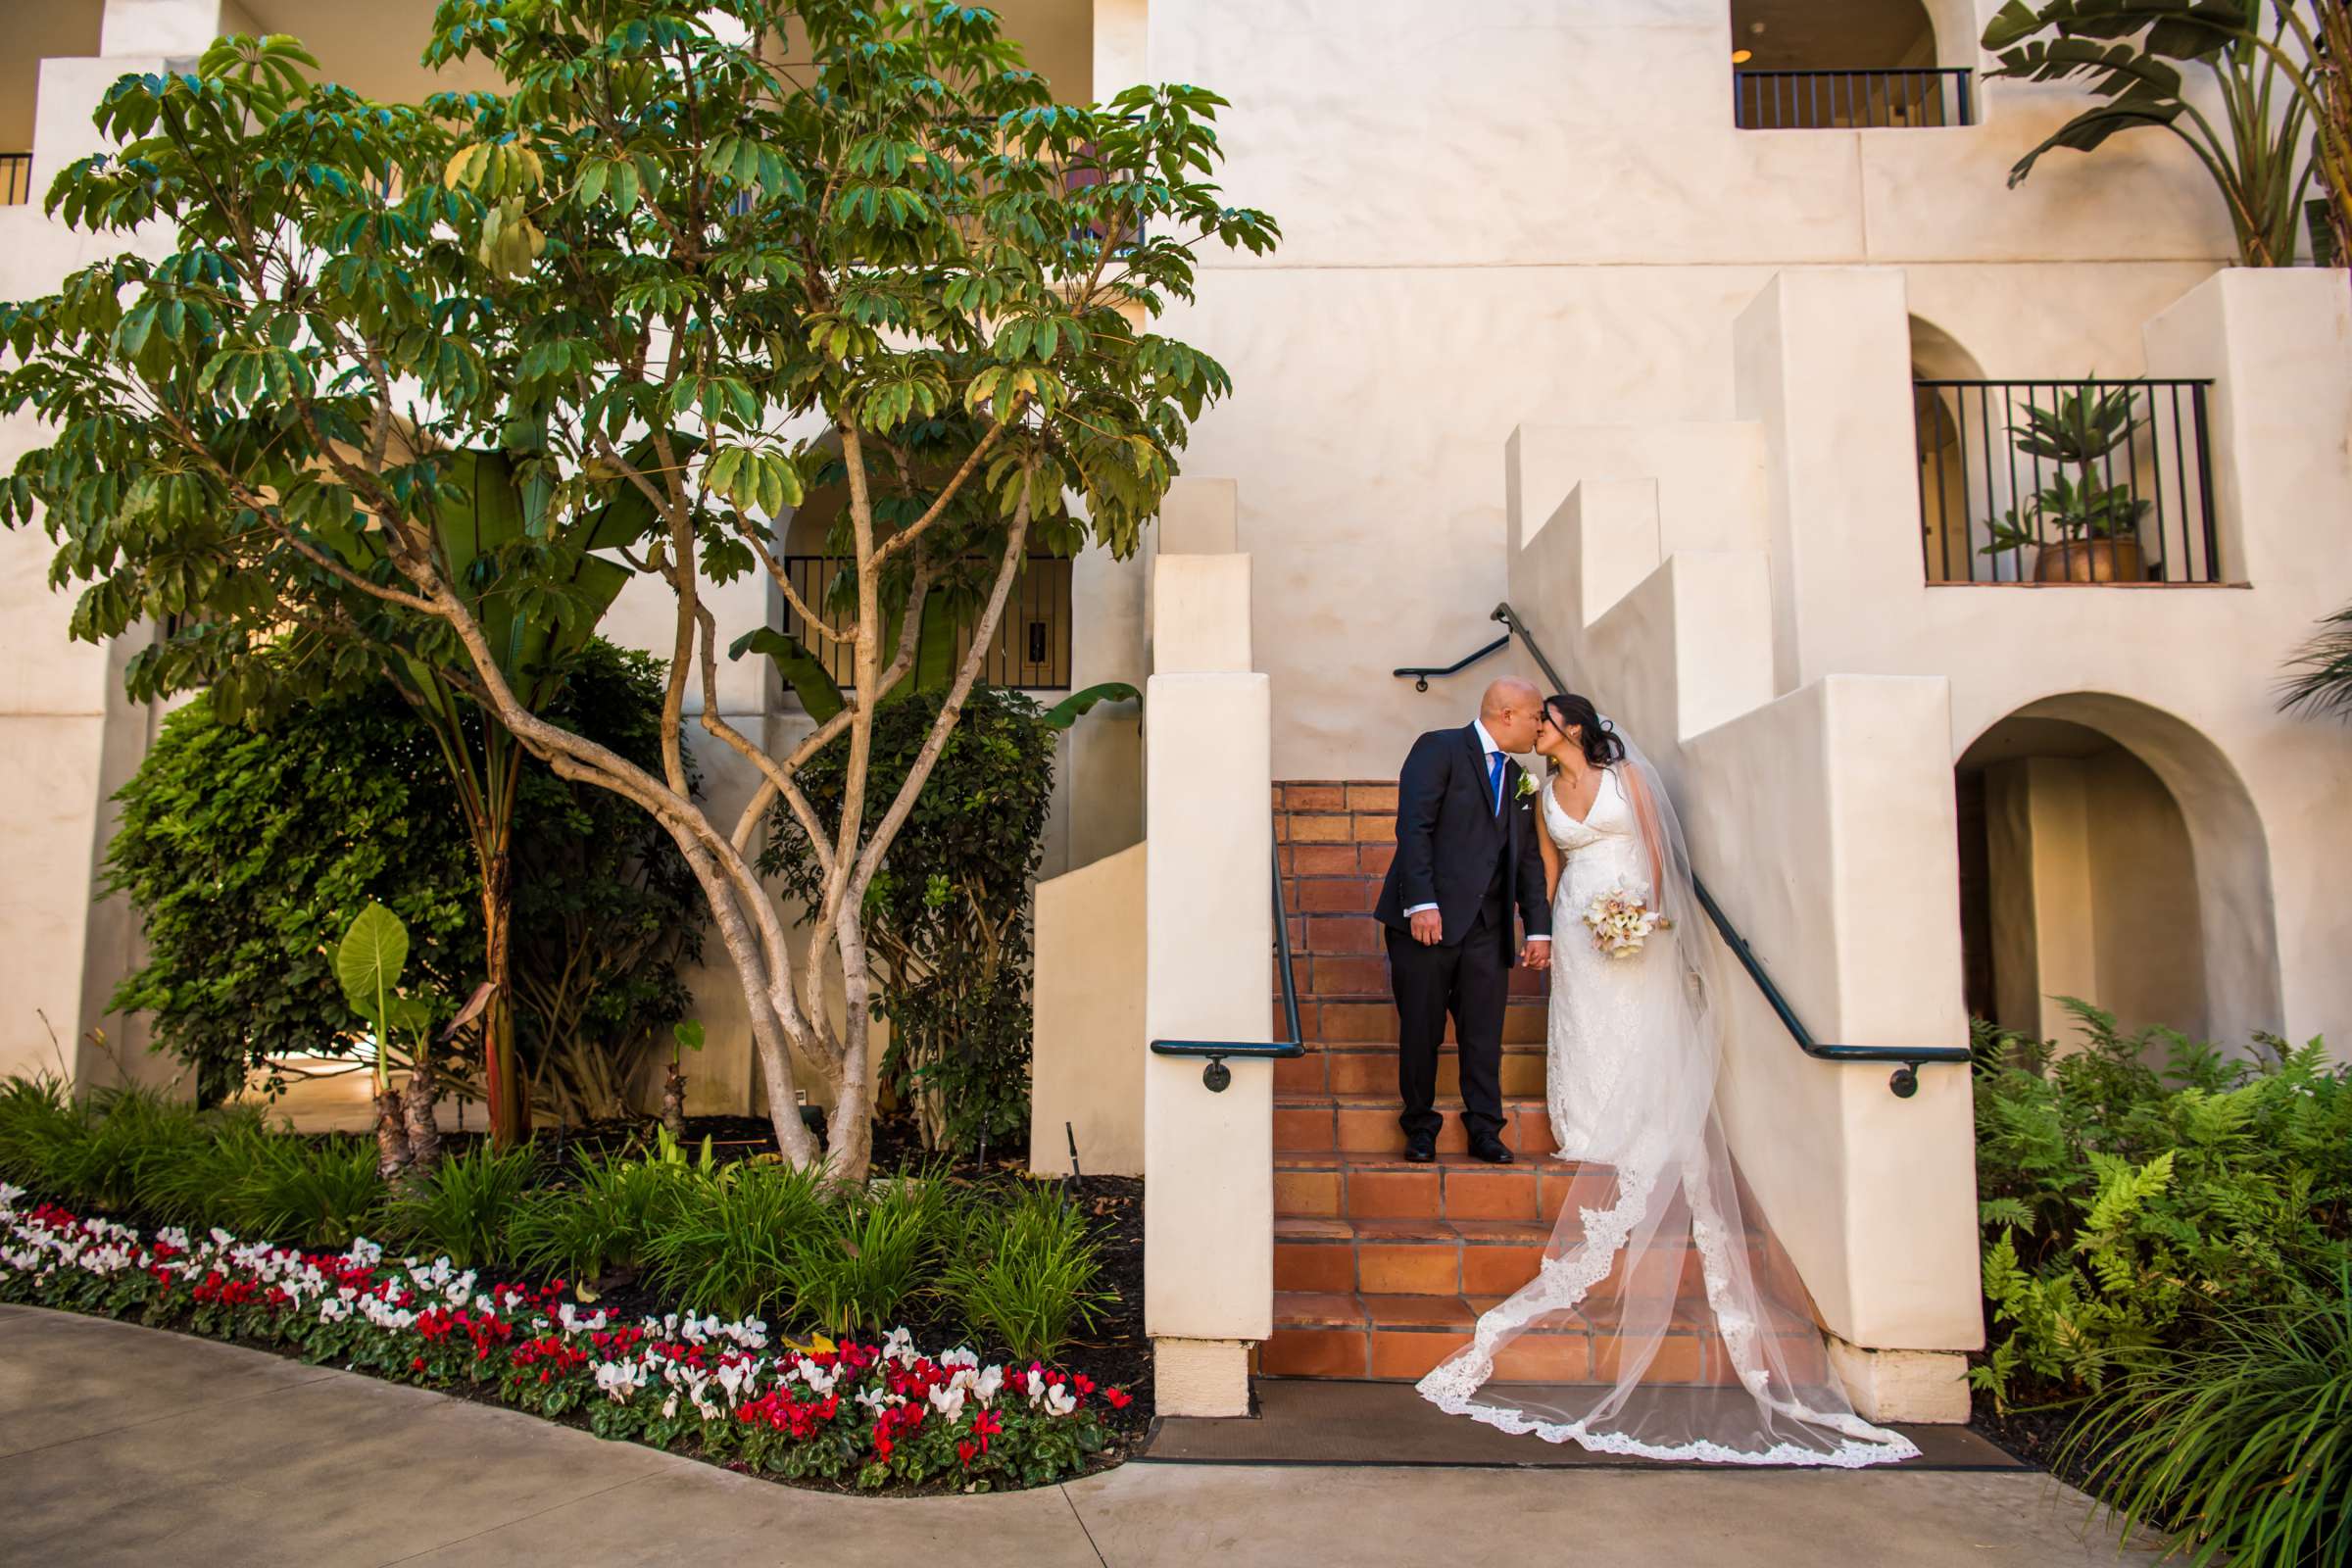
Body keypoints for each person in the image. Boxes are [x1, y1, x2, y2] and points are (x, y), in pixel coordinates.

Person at [1414, 693, 1920, 1468]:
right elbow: (1543, 866)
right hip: (1582, 920)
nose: (1538, 732)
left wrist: (1648, 913)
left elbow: (1656, 850)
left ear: (1572, 726)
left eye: (1546, 721)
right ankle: (1585, 1125)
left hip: (1634, 913)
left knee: (1638, 1019)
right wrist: (1543, 930)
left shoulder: (1628, 781)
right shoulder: (1540, 793)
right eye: (1533, 722)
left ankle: (1645, 1120)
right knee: (1583, 1023)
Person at [1372, 678, 1553, 1166]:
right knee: (1422, 1028)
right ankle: (1420, 1126)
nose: (1542, 725)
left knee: (1482, 1033)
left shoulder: (1519, 778)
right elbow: (1414, 826)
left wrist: (1538, 927)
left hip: (1488, 927)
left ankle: (1485, 1129)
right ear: (1507, 713)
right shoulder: (1441, 748)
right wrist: (1422, 902)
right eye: (1537, 715)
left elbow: (1529, 859)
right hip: (1425, 923)